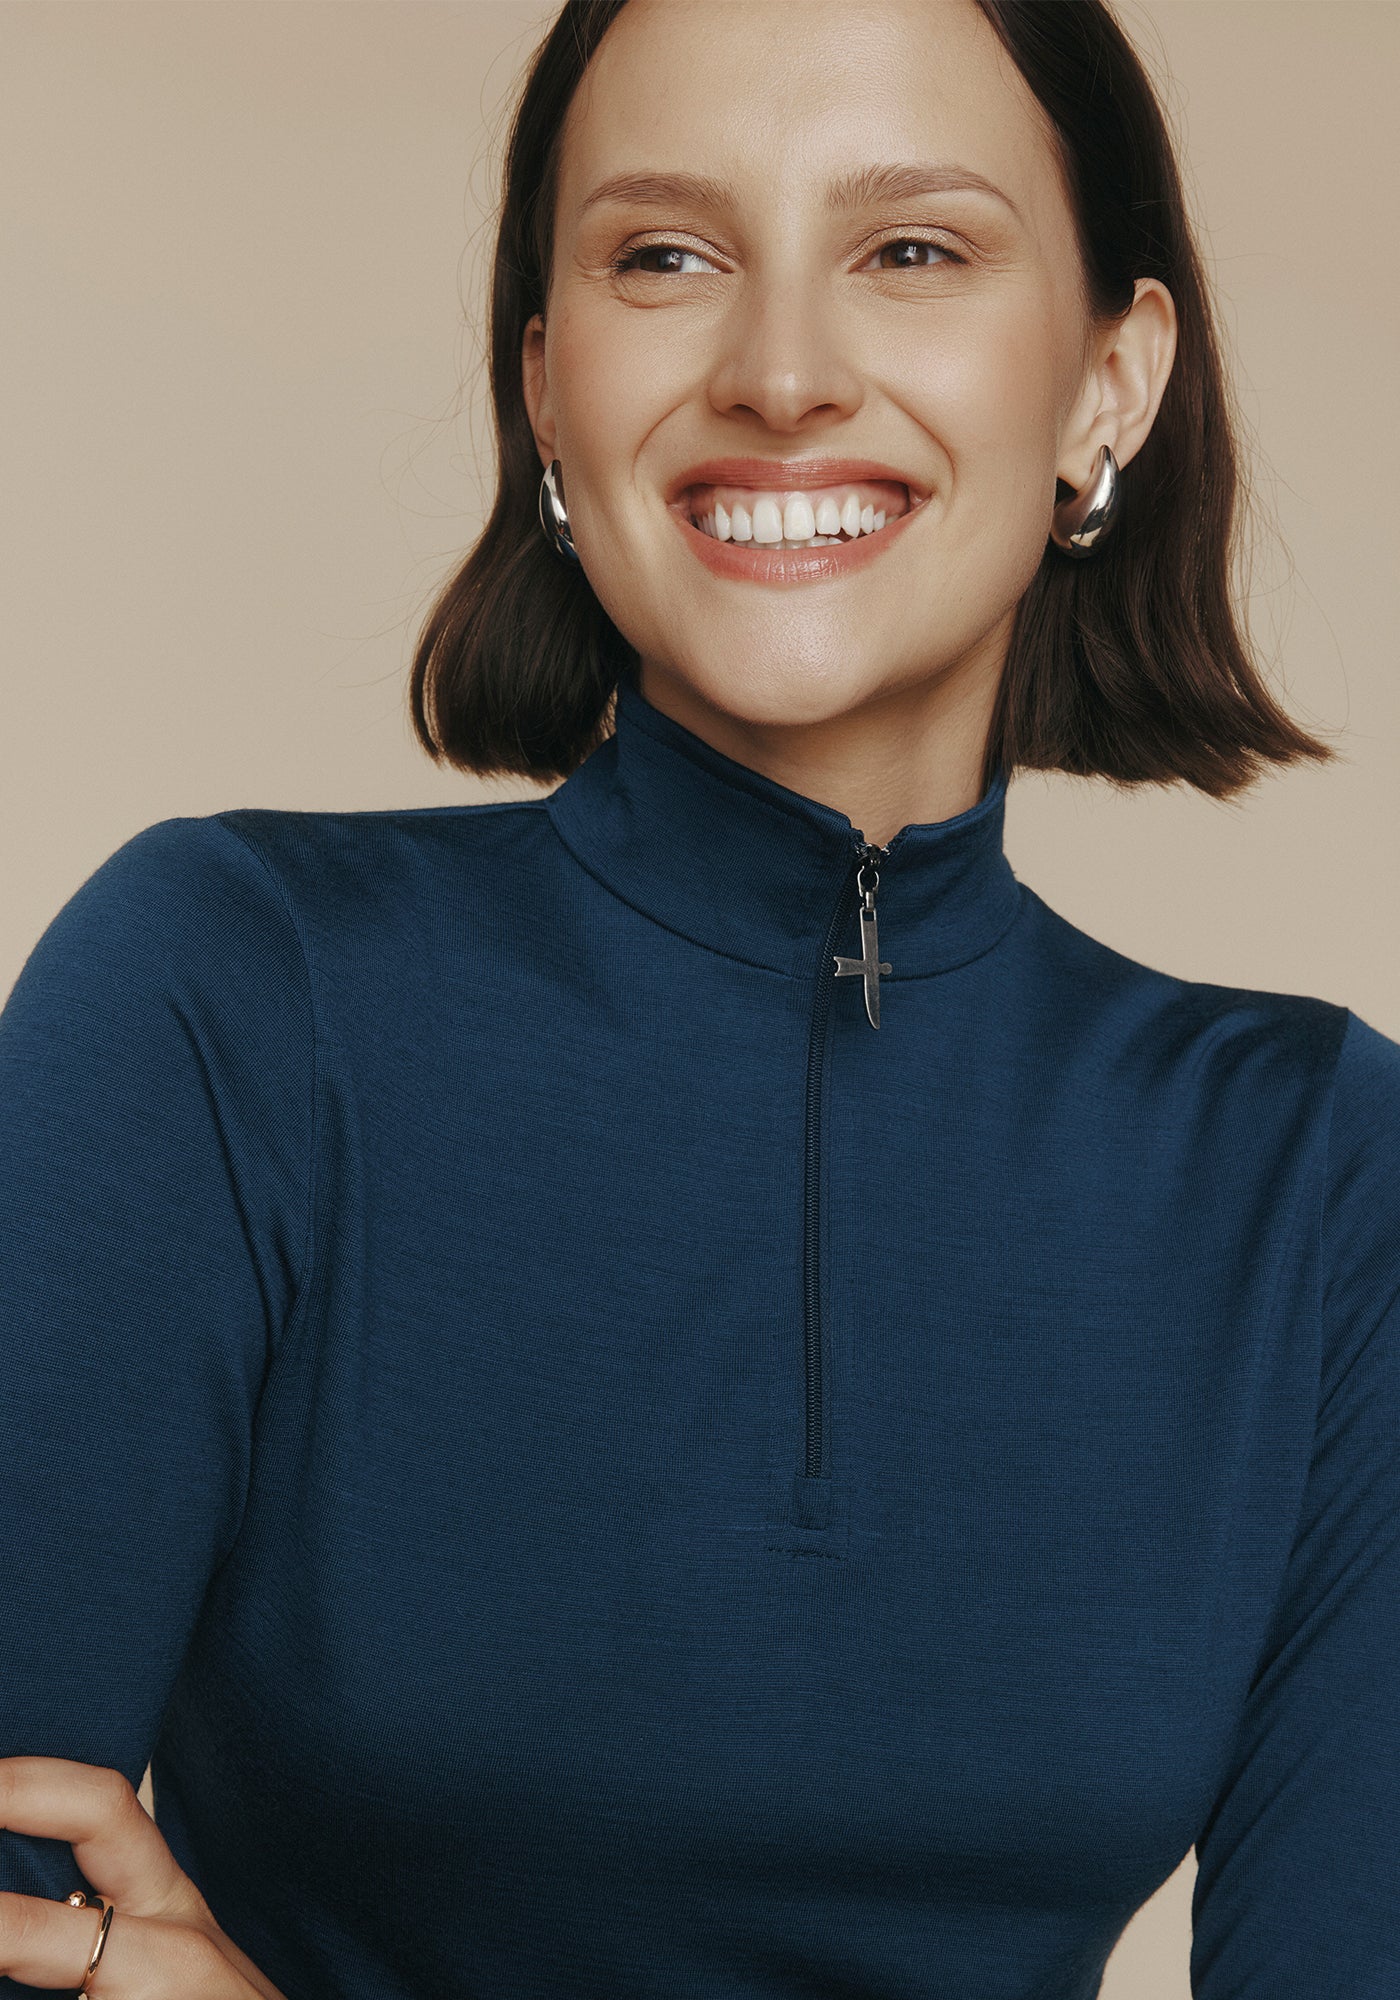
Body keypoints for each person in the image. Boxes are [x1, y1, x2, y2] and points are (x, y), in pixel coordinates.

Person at [1, 0, 1395, 1995]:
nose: (782, 372)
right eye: (665, 253)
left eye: (910, 247)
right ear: (547, 389)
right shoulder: (225, 991)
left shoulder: (1315, 1172)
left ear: (1109, 384)